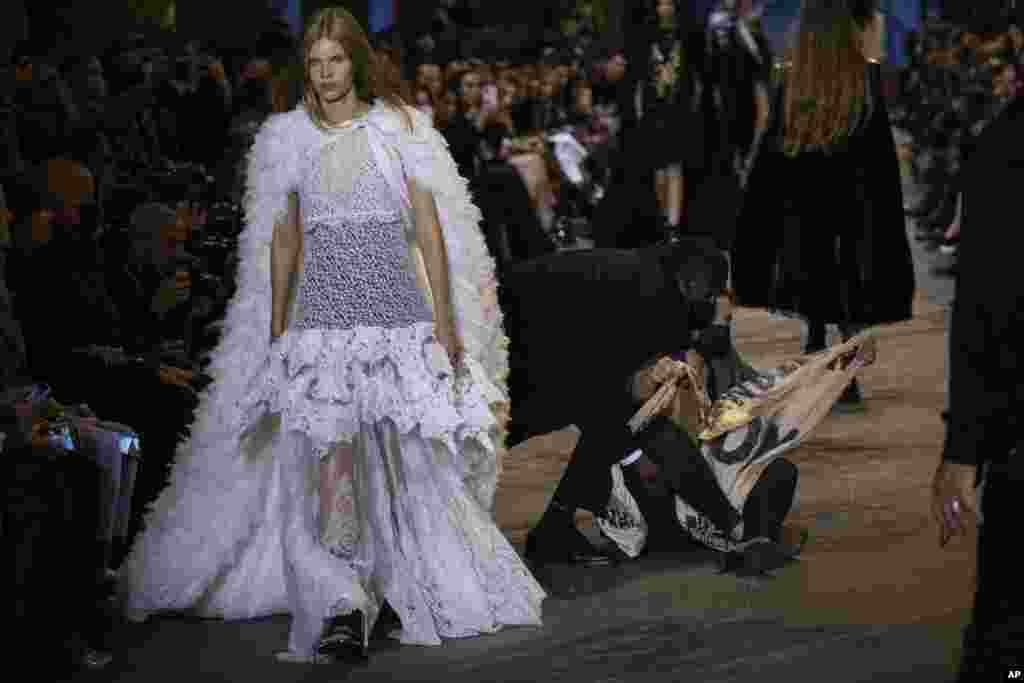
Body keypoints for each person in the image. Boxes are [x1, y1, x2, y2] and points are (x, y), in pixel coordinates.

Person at [117, 7, 544, 665]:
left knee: (403, 460)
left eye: (335, 60)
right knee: (331, 468)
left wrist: (448, 326)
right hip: (322, 322)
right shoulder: (287, 138)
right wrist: (278, 329)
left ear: (356, 62)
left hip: (395, 314)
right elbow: (283, 236)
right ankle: (341, 604)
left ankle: (403, 581)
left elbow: (428, 229)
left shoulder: (398, 129)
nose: (325, 73)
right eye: (315, 63)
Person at [502, 238, 735, 566]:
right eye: (709, 294)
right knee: (606, 421)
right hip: (520, 340)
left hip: (521, 326)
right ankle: (552, 529)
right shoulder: (650, 294)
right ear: (690, 281)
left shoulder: (647, 273)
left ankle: (554, 527)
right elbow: (613, 389)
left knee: (606, 422)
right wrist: (634, 456)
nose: (710, 303)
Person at [732, 0, 915, 412]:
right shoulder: (864, 81)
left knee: (814, 291)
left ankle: (819, 352)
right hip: (852, 211)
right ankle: (844, 374)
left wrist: (757, 233)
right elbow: (881, 167)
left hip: (803, 212)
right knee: (847, 289)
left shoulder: (793, 83)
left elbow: (770, 164)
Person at [931, 76, 1024, 682]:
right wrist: (964, 444)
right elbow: (984, 309)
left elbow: (982, 310)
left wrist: (964, 447)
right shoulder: (1005, 149)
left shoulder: (1004, 147)